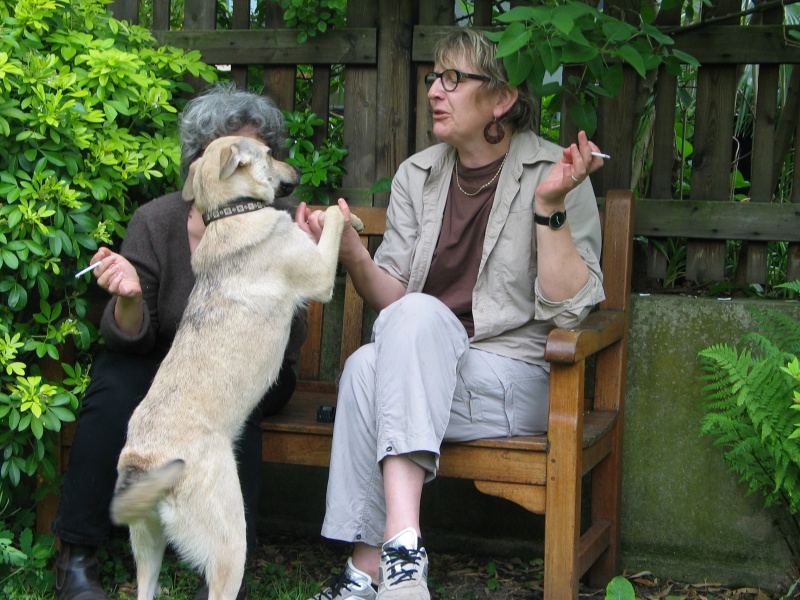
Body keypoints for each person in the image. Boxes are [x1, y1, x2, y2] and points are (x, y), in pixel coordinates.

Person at [295, 29, 606, 600]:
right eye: (434, 78)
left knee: (385, 353)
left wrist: (550, 207)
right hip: (424, 369)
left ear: (501, 98)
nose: (436, 90)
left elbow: (572, 307)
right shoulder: (419, 174)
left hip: (517, 375)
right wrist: (352, 254)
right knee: (367, 366)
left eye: (454, 78)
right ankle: (389, 564)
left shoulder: (554, 173)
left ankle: (376, 569)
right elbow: (390, 295)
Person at [52, 83, 308, 600]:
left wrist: (299, 262)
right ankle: (76, 555)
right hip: (164, 369)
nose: (249, 165)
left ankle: (219, 572)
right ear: (201, 162)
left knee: (234, 408)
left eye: (257, 154)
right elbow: (129, 338)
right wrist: (126, 296)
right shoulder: (156, 220)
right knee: (115, 386)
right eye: (236, 154)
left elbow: (288, 338)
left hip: (245, 370)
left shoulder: (276, 226)